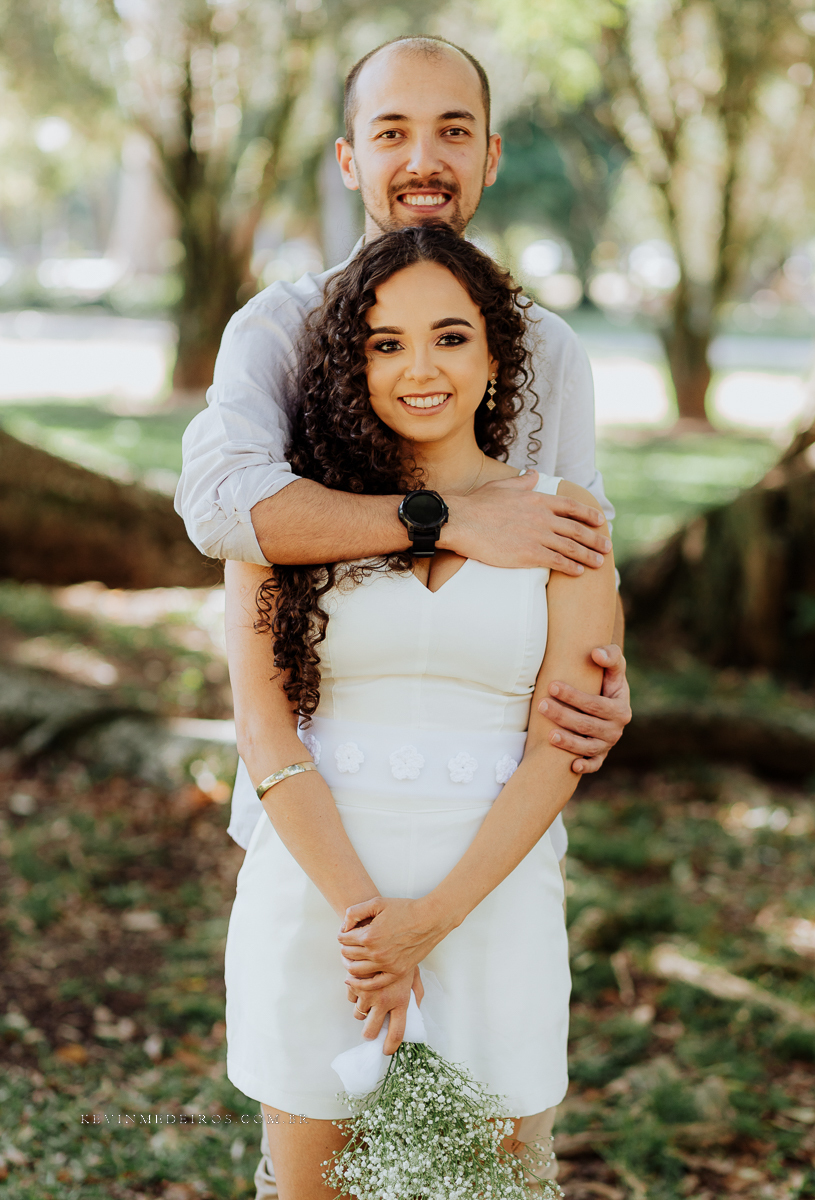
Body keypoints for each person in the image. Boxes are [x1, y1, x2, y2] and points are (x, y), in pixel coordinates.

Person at [223, 225, 617, 1200]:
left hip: (494, 906)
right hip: (318, 906)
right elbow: (266, 735)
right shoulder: (285, 519)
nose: (418, 368)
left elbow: (556, 748)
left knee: (488, 1186)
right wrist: (371, 931)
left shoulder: (564, 516)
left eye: (448, 336)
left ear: (495, 356)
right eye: (384, 343)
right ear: (349, 366)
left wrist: (426, 926)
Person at [175, 35, 632, 801]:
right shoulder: (280, 329)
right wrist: (444, 518)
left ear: (489, 158)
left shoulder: (548, 348)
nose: (424, 161)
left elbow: (583, 550)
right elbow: (223, 509)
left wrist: (606, 676)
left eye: (453, 132)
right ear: (349, 159)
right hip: (309, 790)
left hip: (493, 795)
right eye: (391, 133)